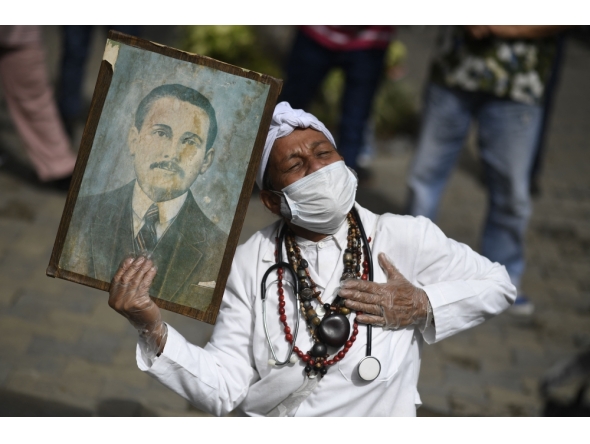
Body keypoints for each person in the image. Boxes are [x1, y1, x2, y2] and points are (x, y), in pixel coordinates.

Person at [107, 102, 515, 416]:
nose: (318, 169)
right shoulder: (252, 260)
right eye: (296, 165)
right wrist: (153, 329)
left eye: (324, 153)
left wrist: (422, 305)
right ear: (271, 200)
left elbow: (499, 285)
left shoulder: (403, 236)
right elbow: (225, 386)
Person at [406, 26, 567, 316]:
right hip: (452, 70)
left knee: (512, 192)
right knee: (424, 177)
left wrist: (497, 26)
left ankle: (502, 284)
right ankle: (407, 270)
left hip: (519, 82)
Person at [63, 84, 227, 310]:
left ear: (206, 161)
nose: (172, 153)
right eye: (161, 133)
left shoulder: (218, 250)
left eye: (189, 142)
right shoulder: (82, 214)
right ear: (134, 140)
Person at [279, 26, 395, 179]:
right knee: (286, 112)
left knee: (355, 122)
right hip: (317, 31)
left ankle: (345, 189)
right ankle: (270, 173)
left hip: (371, 39)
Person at [0, 25, 77, 189]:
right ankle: (61, 166)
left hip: (19, 32)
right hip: (20, 32)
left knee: (35, 98)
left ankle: (61, 166)